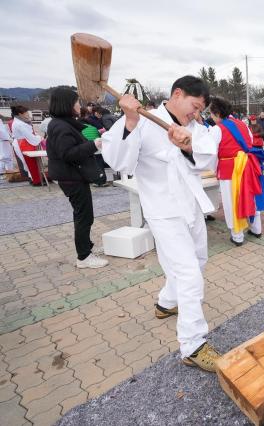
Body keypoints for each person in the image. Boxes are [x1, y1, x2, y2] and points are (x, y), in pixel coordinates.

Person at [102, 75, 221, 372]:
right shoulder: (143, 119)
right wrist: (128, 121)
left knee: (199, 260)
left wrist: (188, 146)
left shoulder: (194, 127)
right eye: (193, 106)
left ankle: (166, 303)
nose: (195, 114)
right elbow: (118, 162)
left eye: (199, 110)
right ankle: (192, 345)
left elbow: (208, 160)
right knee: (189, 274)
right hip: (163, 210)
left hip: (191, 206)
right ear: (177, 94)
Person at [46, 87, 109, 269]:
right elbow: (67, 153)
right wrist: (93, 145)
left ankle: (87, 249)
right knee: (84, 216)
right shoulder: (60, 126)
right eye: (76, 102)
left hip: (73, 176)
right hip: (71, 178)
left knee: (84, 215)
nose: (78, 105)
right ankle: (83, 257)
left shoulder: (63, 123)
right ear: (67, 104)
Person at [207, 97, 264, 246]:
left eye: (211, 114)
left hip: (229, 170)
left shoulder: (217, 129)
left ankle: (237, 235)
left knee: (232, 202)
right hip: (248, 166)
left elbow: (210, 153)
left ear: (217, 113)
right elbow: (249, 143)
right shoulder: (243, 124)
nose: (211, 117)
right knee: (250, 196)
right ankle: (256, 229)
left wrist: (213, 168)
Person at [11, 105, 44, 185]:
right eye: (26, 112)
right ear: (20, 114)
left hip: (23, 142)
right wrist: (39, 138)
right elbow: (29, 136)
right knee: (30, 162)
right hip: (24, 143)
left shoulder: (20, 122)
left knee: (29, 162)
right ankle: (36, 180)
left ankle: (34, 178)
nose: (27, 114)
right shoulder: (20, 124)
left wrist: (36, 136)